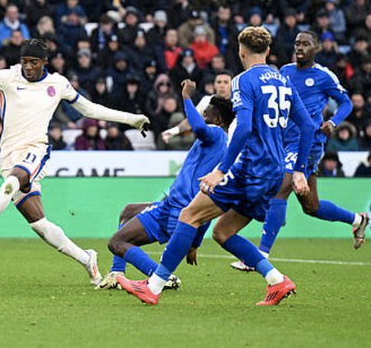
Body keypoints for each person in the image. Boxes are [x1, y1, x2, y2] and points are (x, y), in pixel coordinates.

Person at [117, 26, 314, 306]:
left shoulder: (243, 81)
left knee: (189, 215)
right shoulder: (283, 81)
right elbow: (307, 124)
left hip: (250, 168)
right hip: (274, 172)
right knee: (223, 232)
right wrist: (299, 171)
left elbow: (244, 127)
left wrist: (222, 169)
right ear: (267, 51)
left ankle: (154, 286)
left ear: (240, 51)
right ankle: (277, 280)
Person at [0, 39, 149, 285]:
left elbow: (89, 109)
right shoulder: (8, 77)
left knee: (10, 185)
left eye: (34, 62)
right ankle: (86, 259)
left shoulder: (58, 83)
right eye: (25, 62)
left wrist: (131, 119)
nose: (28, 67)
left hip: (35, 151)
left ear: (44, 63)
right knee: (39, 224)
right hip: (9, 155)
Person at [231, 31, 367, 272]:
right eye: (296, 44)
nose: (300, 48)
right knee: (311, 206)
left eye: (305, 44)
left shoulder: (324, 76)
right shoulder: (284, 71)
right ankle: (358, 220)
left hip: (309, 142)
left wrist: (333, 122)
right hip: (283, 141)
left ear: (316, 47)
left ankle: (260, 255)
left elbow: (346, 102)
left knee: (279, 190)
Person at [99, 80, 234, 290]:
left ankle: (159, 277)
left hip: (176, 212)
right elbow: (207, 207)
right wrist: (195, 244)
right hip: (174, 208)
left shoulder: (215, 134)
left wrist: (186, 97)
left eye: (206, 113)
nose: (202, 116)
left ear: (217, 119)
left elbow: (197, 127)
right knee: (128, 211)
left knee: (117, 243)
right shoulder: (221, 145)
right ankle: (117, 273)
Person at [161, 70, 234, 143]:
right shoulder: (206, 101)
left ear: (232, 84)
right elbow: (191, 121)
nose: (222, 85)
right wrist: (173, 131)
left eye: (226, 82)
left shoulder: (238, 102)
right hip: (211, 144)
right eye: (219, 82)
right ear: (214, 85)